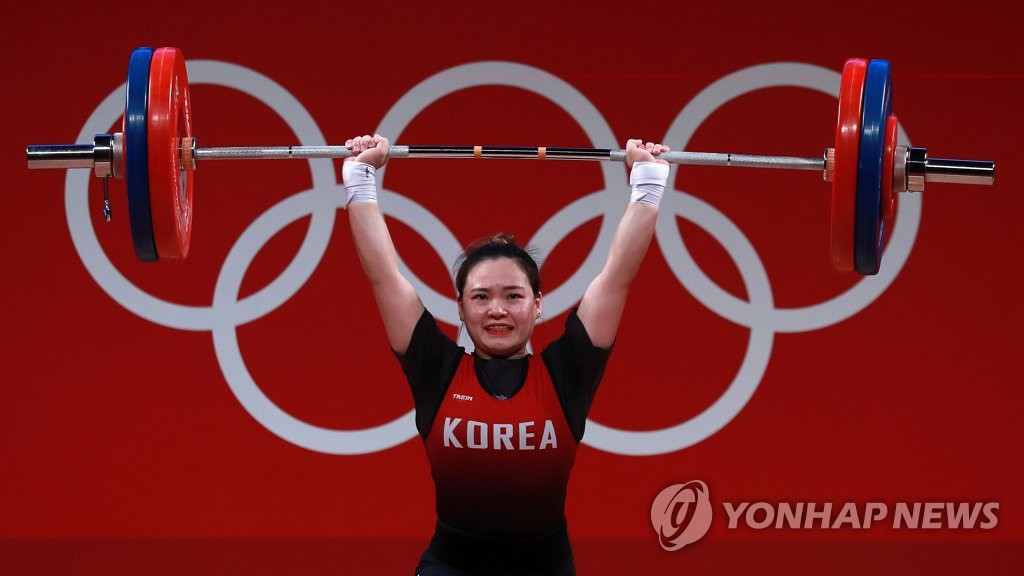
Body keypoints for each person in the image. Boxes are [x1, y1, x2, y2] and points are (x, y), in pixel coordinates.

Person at [342, 134, 670, 576]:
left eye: (512, 295)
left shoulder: (568, 371)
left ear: (537, 304)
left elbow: (618, 275)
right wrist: (360, 179)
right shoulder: (435, 369)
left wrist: (647, 183)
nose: (496, 309)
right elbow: (383, 274)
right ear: (460, 308)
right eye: (480, 297)